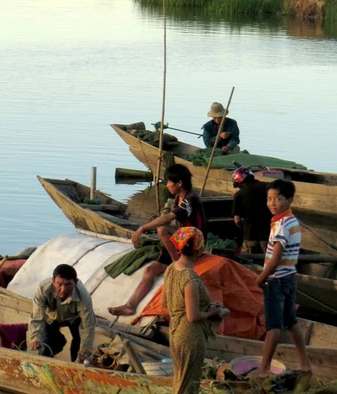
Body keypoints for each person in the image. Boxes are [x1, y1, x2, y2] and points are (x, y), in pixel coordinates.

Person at [108, 164, 207, 317]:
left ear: (179, 183)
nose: (167, 185)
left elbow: (168, 218)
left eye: (169, 182)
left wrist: (142, 228)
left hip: (193, 241)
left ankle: (176, 265)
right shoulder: (177, 198)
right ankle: (130, 305)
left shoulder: (190, 199)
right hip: (181, 239)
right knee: (150, 270)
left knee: (162, 229)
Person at [253, 179, 312, 377]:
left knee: (273, 326)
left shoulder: (280, 224)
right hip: (289, 276)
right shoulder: (293, 221)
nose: (272, 203)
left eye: (278, 199)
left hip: (276, 279)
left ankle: (263, 369)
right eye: (269, 199)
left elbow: (276, 258)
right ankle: (304, 363)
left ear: (289, 200)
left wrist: (261, 277)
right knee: (291, 321)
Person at [165, 226, 228, 394]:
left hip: (175, 332)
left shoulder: (171, 269)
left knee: (180, 380)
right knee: (189, 383)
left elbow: (166, 303)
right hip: (190, 335)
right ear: (199, 248)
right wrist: (212, 312)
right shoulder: (190, 278)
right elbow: (193, 316)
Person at [27, 264, 96, 362]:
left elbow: (88, 327)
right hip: (51, 317)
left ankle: (76, 365)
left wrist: (86, 351)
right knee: (46, 344)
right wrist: (35, 338)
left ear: (75, 282)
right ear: (53, 281)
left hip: (74, 318)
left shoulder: (83, 297)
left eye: (68, 285)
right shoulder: (43, 288)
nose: (63, 289)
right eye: (59, 284)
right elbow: (37, 317)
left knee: (79, 345)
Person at [231, 167, 271, 254]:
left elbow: (237, 220)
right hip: (268, 233)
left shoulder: (239, 195)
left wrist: (244, 227)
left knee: (251, 260)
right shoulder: (268, 187)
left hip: (250, 234)